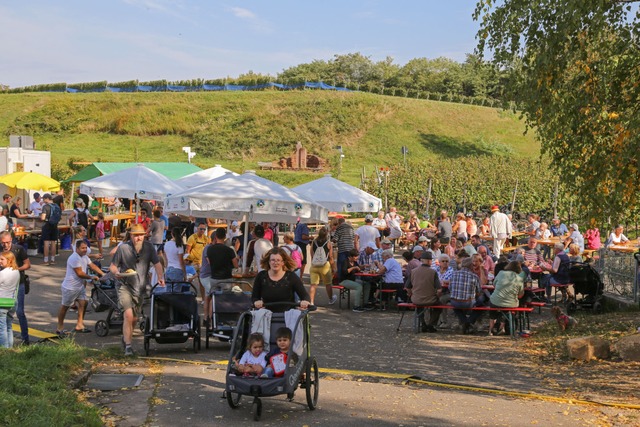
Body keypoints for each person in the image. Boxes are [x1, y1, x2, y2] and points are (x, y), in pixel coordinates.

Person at [110, 224, 165, 356]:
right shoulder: (123, 248)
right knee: (128, 315)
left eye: (140, 235)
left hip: (139, 287)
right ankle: (128, 347)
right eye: (135, 235)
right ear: (131, 236)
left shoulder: (149, 247)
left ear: (144, 236)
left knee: (134, 318)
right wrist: (116, 272)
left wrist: (160, 277)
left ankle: (125, 338)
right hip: (124, 285)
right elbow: (112, 266)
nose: (138, 238)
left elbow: (157, 263)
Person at [55, 241, 104, 336]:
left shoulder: (84, 256)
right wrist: (91, 277)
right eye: (83, 248)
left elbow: (92, 265)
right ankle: (59, 328)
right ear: (77, 249)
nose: (85, 250)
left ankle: (80, 325)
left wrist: (102, 273)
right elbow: (80, 273)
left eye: (86, 248)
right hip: (70, 288)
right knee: (65, 307)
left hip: (79, 286)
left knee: (83, 303)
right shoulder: (74, 258)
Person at [252, 247, 310, 312]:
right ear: (269, 262)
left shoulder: (291, 277)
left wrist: (305, 302)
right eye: (273, 260)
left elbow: (305, 295)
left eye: (278, 260)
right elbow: (254, 297)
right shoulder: (261, 276)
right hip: (266, 315)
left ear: (283, 262)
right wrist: (256, 302)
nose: (275, 263)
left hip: (288, 316)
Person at [0, 231, 31, 345]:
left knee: (19, 312)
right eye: (3, 243)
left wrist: (14, 271)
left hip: (19, 283)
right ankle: (8, 345)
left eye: (8, 242)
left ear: (11, 240)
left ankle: (25, 339)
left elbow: (28, 264)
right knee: (6, 319)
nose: (6, 245)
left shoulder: (19, 249)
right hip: (3, 285)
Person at [205, 227, 238, 324]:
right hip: (226, 278)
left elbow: (210, 262)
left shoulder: (210, 249)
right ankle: (225, 320)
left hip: (214, 277)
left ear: (216, 236)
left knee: (213, 298)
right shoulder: (229, 250)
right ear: (224, 237)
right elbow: (236, 265)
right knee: (226, 299)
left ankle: (211, 320)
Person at [405, 251, 443, 333]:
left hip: (416, 299)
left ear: (421, 260)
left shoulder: (413, 271)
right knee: (439, 306)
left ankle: (423, 323)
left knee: (419, 306)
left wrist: (410, 293)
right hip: (430, 299)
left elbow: (407, 287)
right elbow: (439, 289)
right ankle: (431, 324)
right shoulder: (433, 272)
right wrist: (437, 296)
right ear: (430, 261)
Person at [488, 261, 525, 336]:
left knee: (493, 307)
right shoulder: (519, 278)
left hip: (495, 300)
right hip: (511, 303)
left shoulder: (501, 273)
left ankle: (490, 329)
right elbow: (520, 295)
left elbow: (494, 284)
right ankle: (502, 326)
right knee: (507, 308)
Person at [448, 257, 482, 334]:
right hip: (468, 302)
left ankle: (464, 322)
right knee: (481, 306)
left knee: (456, 306)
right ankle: (468, 322)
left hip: (454, 301)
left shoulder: (453, 274)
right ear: (471, 266)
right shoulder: (474, 276)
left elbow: (449, 288)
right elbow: (479, 291)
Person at [309, 227, 336, 305]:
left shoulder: (314, 242)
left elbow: (311, 254)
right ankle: (330, 299)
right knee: (328, 284)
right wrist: (333, 267)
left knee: (313, 285)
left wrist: (313, 262)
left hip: (314, 266)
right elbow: (330, 256)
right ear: (326, 234)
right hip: (325, 266)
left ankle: (311, 302)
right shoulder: (328, 243)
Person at [340, 248, 371, 313]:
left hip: (352, 280)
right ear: (351, 256)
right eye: (355, 257)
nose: (357, 258)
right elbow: (345, 272)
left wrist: (364, 266)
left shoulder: (354, 262)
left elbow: (358, 267)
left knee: (367, 284)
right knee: (359, 286)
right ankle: (356, 306)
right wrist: (353, 268)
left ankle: (365, 303)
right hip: (344, 281)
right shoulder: (345, 261)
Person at [0, 251, 20, 348]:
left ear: (10, 260)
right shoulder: (16, 271)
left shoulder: (2, 273)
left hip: (2, 303)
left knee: (1, 328)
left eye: (2, 259)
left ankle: (4, 349)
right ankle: (10, 348)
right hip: (12, 302)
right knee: (8, 326)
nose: (0, 261)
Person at [40, 193, 60, 265]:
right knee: (53, 242)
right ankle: (53, 260)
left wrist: (41, 216)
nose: (43, 200)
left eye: (43, 199)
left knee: (46, 242)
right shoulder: (57, 206)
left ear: (46, 198)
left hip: (47, 225)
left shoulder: (45, 207)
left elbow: (43, 217)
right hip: (55, 225)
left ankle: (45, 260)